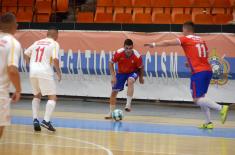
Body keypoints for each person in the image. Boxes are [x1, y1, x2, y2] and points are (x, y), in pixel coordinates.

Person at [144, 21, 229, 129]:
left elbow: (169, 43)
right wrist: (190, 63)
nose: (182, 32)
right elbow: (204, 55)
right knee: (202, 97)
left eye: (182, 29)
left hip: (198, 72)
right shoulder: (201, 40)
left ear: (186, 29)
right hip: (207, 70)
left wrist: (154, 44)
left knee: (197, 99)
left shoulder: (186, 39)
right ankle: (209, 123)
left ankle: (221, 108)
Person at [24, 28, 61, 132]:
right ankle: (46, 120)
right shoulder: (54, 43)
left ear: (47, 34)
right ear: (56, 35)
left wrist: (30, 65)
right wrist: (58, 72)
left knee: (37, 95)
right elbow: (55, 59)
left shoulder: (37, 42)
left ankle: (35, 119)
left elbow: (26, 54)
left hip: (33, 72)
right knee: (52, 97)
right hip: (45, 72)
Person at [105, 39, 144, 119]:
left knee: (130, 81)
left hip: (133, 72)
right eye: (127, 48)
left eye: (130, 48)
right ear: (124, 47)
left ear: (132, 47)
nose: (128, 50)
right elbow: (110, 63)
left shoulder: (137, 56)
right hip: (121, 73)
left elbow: (141, 67)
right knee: (113, 92)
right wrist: (113, 76)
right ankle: (111, 112)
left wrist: (141, 77)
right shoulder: (119, 53)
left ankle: (128, 104)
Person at [0, 13, 22, 138]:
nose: (18, 25)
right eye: (16, 22)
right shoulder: (13, 43)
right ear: (14, 25)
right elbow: (12, 70)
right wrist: (18, 90)